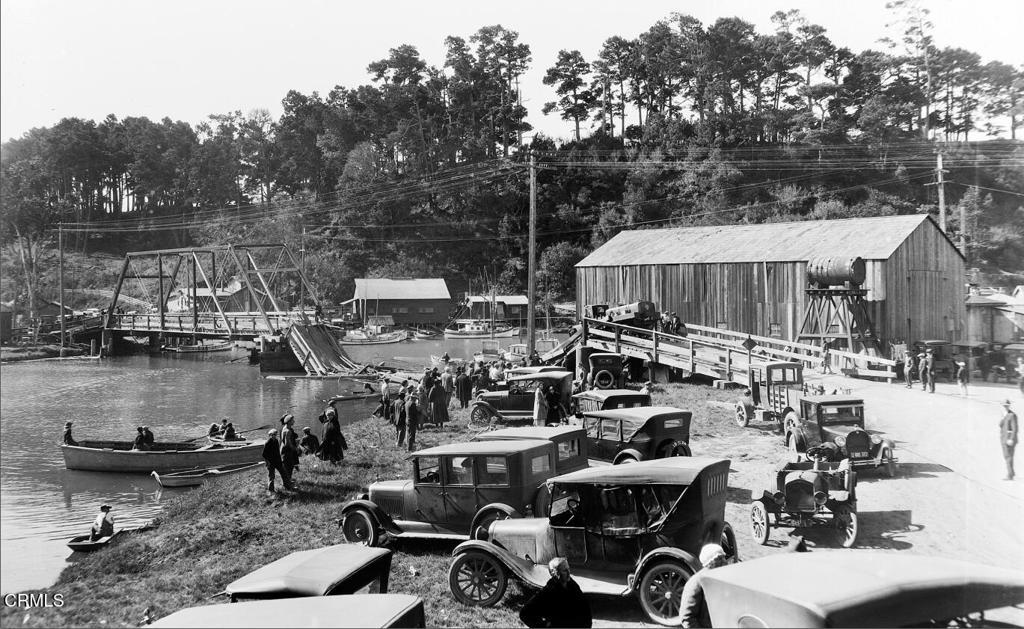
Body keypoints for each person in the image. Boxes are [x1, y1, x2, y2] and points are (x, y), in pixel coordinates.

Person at [519, 557, 591, 629]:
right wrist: (544, 626)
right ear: (554, 573)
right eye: (564, 570)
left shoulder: (573, 586)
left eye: (568, 569)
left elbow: (585, 609)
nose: (569, 573)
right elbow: (524, 613)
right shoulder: (548, 592)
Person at [679, 543, 730, 629]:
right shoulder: (696, 582)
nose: (725, 562)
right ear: (710, 562)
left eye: (724, 558)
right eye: (720, 559)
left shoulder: (721, 578)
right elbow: (687, 617)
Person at [279, 414, 299, 489]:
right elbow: (288, 444)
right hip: (287, 452)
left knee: (286, 468)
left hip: (283, 451)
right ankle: (288, 486)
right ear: (289, 421)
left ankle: (287, 483)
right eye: (293, 420)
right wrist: (295, 448)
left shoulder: (284, 428)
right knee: (289, 468)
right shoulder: (288, 431)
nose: (294, 421)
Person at [1000, 400, 1018, 481]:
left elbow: (1015, 428)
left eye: (1006, 405)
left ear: (1009, 406)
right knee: (1006, 456)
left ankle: (1010, 475)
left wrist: (1011, 439)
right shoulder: (1004, 414)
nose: (1005, 407)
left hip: (1009, 439)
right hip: (1003, 438)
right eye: (1004, 405)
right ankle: (1011, 472)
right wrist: (1003, 418)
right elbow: (1000, 425)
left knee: (1008, 457)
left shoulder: (1012, 415)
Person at [405, 388, 420, 452]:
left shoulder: (407, 403)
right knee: (411, 434)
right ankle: (409, 448)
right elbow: (415, 413)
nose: (416, 399)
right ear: (413, 398)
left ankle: (410, 446)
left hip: (407, 419)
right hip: (412, 421)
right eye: (415, 398)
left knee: (408, 433)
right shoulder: (413, 404)